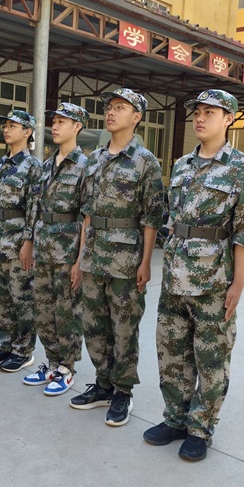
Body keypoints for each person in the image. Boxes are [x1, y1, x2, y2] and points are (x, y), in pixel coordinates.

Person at [143, 90, 244, 461]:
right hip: (175, 276)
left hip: (214, 280)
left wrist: (238, 282)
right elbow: (173, 220)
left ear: (229, 119)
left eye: (210, 112)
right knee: (171, 351)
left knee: (211, 358)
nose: (200, 118)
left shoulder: (242, 167)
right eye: (197, 111)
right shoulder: (181, 165)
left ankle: (200, 427)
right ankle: (175, 418)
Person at [69, 88, 165, 427]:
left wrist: (146, 262)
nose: (111, 112)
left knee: (124, 328)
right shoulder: (94, 159)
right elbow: (86, 213)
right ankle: (103, 384)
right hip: (93, 255)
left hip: (126, 259)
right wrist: (79, 258)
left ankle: (123, 390)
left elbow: (152, 217)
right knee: (93, 325)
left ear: (136, 117)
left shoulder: (145, 161)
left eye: (120, 108)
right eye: (109, 107)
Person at [24, 102, 90, 396]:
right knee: (43, 310)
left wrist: (80, 260)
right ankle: (52, 363)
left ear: (77, 126)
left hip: (67, 250)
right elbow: (36, 207)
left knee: (67, 313)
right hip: (44, 248)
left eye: (62, 121)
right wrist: (29, 241)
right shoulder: (46, 164)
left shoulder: (84, 166)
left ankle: (67, 369)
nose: (55, 125)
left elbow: (87, 217)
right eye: (54, 120)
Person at [0, 110, 42, 372]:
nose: (6, 130)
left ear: (27, 132)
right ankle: (6, 344)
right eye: (5, 125)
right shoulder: (1, 164)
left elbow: (34, 208)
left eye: (13, 126)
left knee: (22, 298)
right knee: (2, 299)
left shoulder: (33, 167)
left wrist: (28, 242)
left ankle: (23, 350)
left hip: (18, 243)